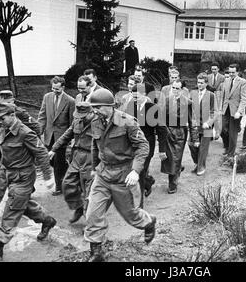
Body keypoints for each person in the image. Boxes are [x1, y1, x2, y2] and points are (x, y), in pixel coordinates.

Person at [0, 103, 57, 262]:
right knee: (22, 205)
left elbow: (42, 154)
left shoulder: (26, 133)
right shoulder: (4, 130)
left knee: (11, 210)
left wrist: (48, 177)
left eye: (2, 118)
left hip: (23, 178)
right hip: (8, 173)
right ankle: (47, 220)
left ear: (12, 115)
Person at [84, 88, 156, 262]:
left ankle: (149, 222)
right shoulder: (95, 121)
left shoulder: (128, 122)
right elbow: (96, 144)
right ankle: (96, 251)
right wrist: (95, 167)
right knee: (93, 213)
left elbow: (143, 146)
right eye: (93, 108)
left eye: (98, 107)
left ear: (110, 106)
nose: (94, 111)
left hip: (123, 175)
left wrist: (135, 171)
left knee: (130, 215)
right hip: (103, 174)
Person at [48, 102, 95, 224]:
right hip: (77, 156)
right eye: (78, 115)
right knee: (67, 184)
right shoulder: (77, 121)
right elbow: (66, 136)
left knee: (88, 191)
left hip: (91, 157)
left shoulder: (99, 124)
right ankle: (79, 207)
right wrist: (54, 149)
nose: (80, 118)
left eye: (83, 115)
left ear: (91, 113)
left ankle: (90, 223)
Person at [123, 84, 167, 206]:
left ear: (144, 95)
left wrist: (162, 150)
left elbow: (162, 130)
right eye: (133, 96)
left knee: (140, 171)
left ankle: (139, 205)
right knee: (132, 169)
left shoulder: (153, 108)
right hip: (132, 145)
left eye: (137, 97)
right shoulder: (130, 107)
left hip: (147, 145)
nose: (134, 99)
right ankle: (148, 182)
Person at [38, 76, 75, 196]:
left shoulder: (70, 101)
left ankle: (59, 187)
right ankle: (68, 170)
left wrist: (70, 139)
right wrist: (39, 131)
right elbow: (42, 116)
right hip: (49, 135)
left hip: (61, 137)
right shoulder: (47, 97)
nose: (55, 91)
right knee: (51, 160)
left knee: (58, 162)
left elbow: (71, 122)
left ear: (63, 87)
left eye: (57, 89)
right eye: (53, 88)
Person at [160, 80, 193, 193]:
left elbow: (191, 121)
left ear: (182, 90)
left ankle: (172, 183)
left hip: (180, 133)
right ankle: (176, 171)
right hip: (168, 131)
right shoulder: (166, 101)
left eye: (177, 88)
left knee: (176, 157)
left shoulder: (187, 102)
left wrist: (194, 137)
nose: (174, 90)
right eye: (173, 88)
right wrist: (163, 131)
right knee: (169, 158)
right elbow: (161, 118)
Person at [188, 73, 219, 176]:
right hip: (195, 125)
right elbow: (188, 108)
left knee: (203, 148)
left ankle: (201, 167)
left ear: (206, 83)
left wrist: (209, 123)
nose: (199, 85)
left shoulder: (211, 95)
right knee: (191, 145)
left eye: (202, 83)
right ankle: (197, 163)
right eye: (198, 82)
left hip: (207, 126)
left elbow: (215, 112)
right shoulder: (192, 93)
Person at [220, 64, 246, 157]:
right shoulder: (226, 80)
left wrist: (239, 112)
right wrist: (220, 108)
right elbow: (223, 96)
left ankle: (231, 153)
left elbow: (244, 99)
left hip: (235, 111)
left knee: (233, 133)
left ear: (237, 72)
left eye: (233, 72)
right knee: (222, 129)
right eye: (230, 72)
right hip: (225, 109)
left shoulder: (243, 82)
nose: (231, 74)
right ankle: (227, 147)